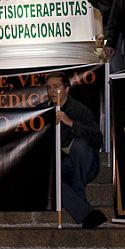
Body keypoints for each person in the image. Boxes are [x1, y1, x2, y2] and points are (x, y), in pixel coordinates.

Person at [43, 72, 106, 229]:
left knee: (79, 145)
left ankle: (77, 191)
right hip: (63, 168)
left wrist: (70, 122)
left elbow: (97, 140)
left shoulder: (80, 110)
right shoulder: (43, 112)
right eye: (49, 87)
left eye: (56, 87)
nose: (51, 91)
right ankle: (86, 213)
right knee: (52, 181)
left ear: (67, 89)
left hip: (85, 163)